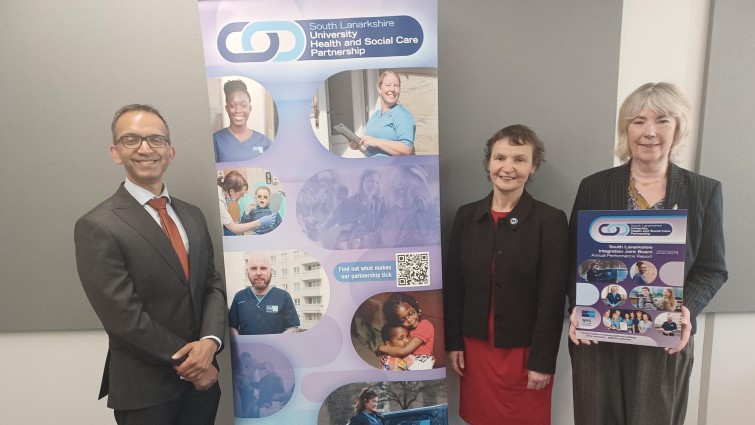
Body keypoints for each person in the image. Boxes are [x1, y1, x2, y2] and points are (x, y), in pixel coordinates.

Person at [568, 82, 727, 425]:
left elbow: (713, 268)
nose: (650, 132)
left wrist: (685, 312)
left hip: (663, 333)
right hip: (599, 336)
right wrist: (578, 306)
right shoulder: (594, 186)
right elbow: (572, 259)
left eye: (663, 120)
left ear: (678, 127)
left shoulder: (704, 190)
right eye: (638, 121)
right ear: (626, 128)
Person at [74, 104, 227, 425]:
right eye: (131, 140)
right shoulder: (98, 225)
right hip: (146, 390)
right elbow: (123, 317)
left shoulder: (193, 215)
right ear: (116, 152)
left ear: (170, 152)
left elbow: (211, 285)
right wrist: (194, 363)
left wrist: (210, 343)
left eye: (155, 140)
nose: (145, 148)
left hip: (204, 384)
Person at [443, 125, 569, 424]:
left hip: (525, 353)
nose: (508, 168)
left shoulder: (550, 221)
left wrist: (542, 361)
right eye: (500, 158)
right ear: (489, 163)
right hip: (476, 351)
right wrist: (453, 343)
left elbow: (552, 298)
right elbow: (454, 286)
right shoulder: (467, 216)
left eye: (519, 159)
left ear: (533, 166)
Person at [228, 252, 300, 335]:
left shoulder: (284, 297)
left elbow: (293, 327)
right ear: (247, 271)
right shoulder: (239, 297)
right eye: (254, 268)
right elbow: (231, 327)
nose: (258, 273)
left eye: (263, 268)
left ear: (271, 271)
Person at [349, 70, 416, 157]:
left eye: (396, 86)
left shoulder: (402, 115)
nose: (392, 89)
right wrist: (358, 147)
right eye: (388, 85)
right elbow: (373, 151)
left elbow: (407, 149)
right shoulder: (375, 116)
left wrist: (376, 141)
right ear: (379, 88)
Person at [213, 79, 272, 162]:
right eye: (233, 106)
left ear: (249, 108)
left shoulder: (264, 142)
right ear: (227, 109)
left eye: (243, 105)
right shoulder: (216, 140)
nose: (238, 110)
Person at [377, 293, 435, 370]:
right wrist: (386, 352)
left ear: (415, 307)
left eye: (410, 313)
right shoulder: (404, 328)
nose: (409, 320)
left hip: (421, 363)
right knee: (387, 362)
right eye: (402, 320)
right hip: (409, 362)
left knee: (389, 364)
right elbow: (396, 346)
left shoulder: (425, 325)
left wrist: (381, 348)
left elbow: (404, 351)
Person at [218, 171, 276, 236]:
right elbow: (239, 225)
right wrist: (247, 212)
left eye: (265, 197)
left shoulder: (271, 212)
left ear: (269, 200)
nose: (243, 196)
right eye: (241, 194)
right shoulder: (219, 200)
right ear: (232, 191)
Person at [233, 352, 259, 418]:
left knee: (247, 404)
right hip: (242, 388)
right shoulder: (239, 362)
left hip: (246, 389)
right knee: (245, 404)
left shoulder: (250, 363)